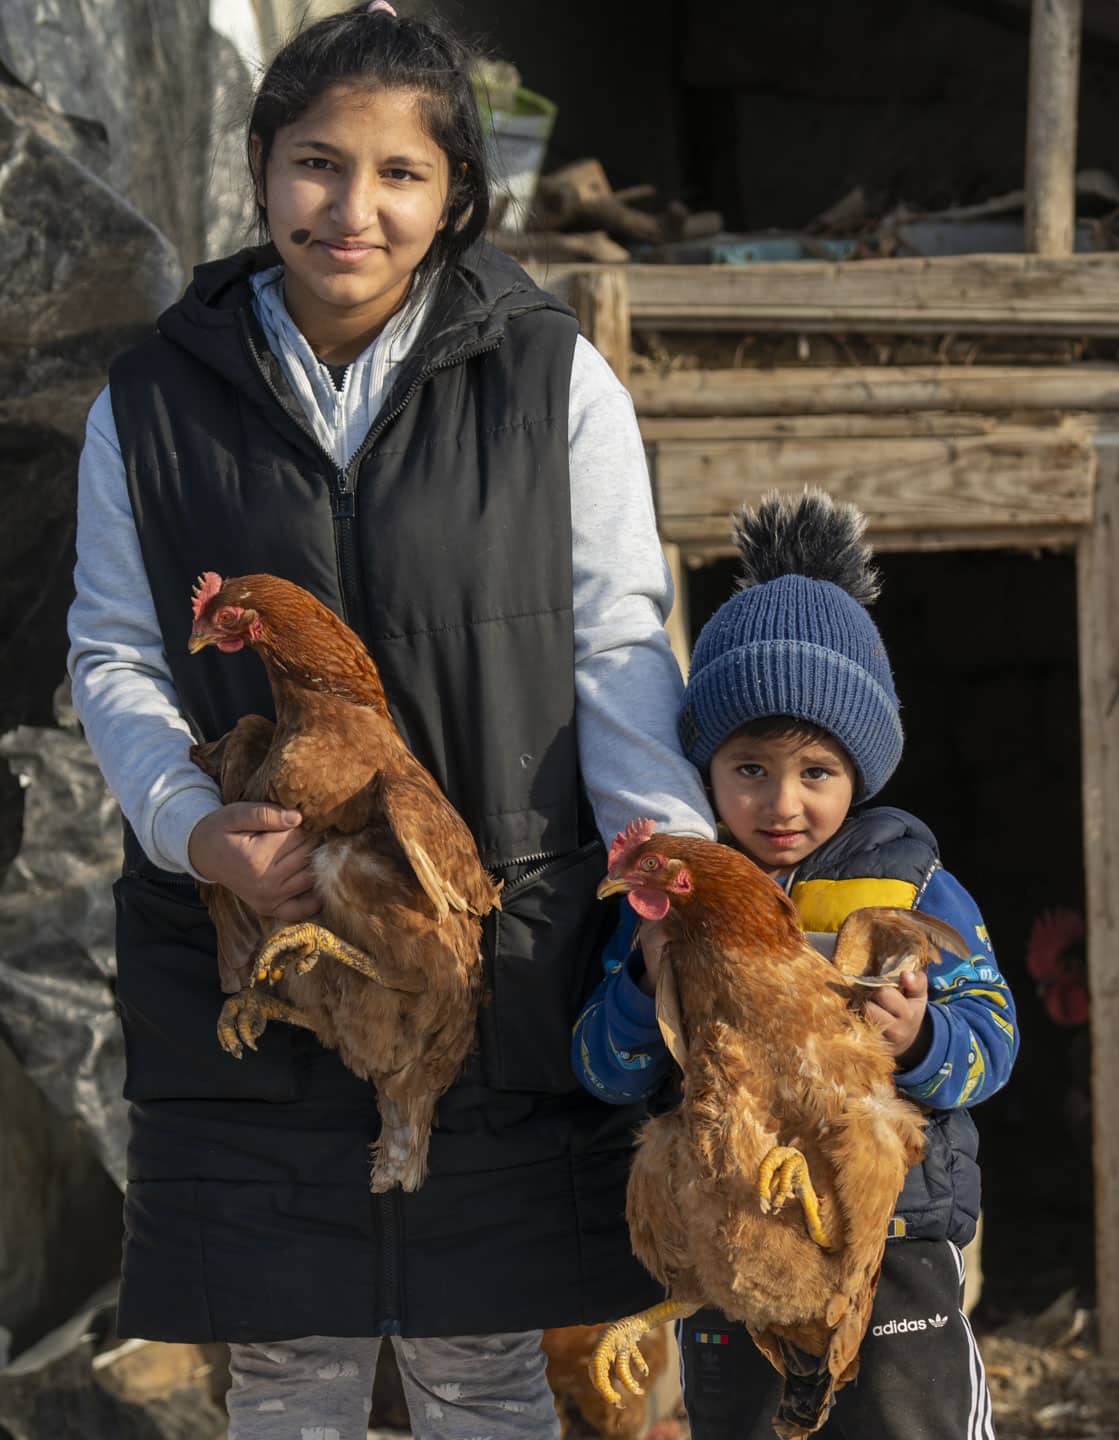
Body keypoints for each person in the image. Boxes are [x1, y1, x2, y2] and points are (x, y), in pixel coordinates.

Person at [65, 5, 714, 1437]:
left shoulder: (552, 384)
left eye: (399, 174)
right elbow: (113, 659)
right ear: (259, 166)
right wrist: (193, 836)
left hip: (484, 952)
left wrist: (670, 870)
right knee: (288, 1367)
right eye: (315, 164)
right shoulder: (154, 405)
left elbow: (616, 644)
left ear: (456, 196)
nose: (352, 208)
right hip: (254, 951)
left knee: (486, 1366)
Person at [573, 490, 1017, 1440]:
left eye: (815, 772)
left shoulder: (908, 880)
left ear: (860, 769)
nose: (782, 802)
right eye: (749, 768)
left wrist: (926, 1035)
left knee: (914, 1423)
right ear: (707, 767)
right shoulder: (677, 894)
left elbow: (996, 1035)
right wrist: (645, 987)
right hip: (735, 1244)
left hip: (888, 1236)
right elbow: (601, 1071)